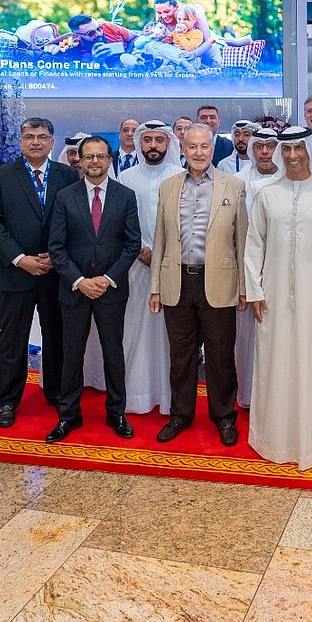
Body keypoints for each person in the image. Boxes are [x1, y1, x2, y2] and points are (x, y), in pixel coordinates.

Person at [245, 127, 312, 471]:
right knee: (274, 365)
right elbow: (254, 246)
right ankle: (271, 439)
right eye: (286, 150)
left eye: (298, 149)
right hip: (272, 298)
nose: (292, 156)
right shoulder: (266, 194)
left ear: (308, 151)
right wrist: (255, 291)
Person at [149, 124, 248, 445]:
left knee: (221, 355)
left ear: (212, 148)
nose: (199, 152)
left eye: (204, 146)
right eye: (192, 147)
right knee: (181, 355)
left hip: (219, 281)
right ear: (183, 147)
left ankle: (223, 416)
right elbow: (160, 240)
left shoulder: (232, 186)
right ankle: (180, 413)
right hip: (177, 283)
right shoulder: (168, 186)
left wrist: (245, 287)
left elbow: (242, 240)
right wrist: (155, 287)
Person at [0, 117, 80, 427]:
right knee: (13, 341)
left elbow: (76, 221)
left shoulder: (67, 175)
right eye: (29, 136)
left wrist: (56, 256)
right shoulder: (2, 176)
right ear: (21, 142)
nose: (35, 141)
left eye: (41, 136)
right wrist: (20, 258)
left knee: (57, 336)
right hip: (16, 274)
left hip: (56, 273)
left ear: (52, 142)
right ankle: (9, 400)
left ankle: (56, 392)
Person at [46, 136, 141, 443]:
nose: (95, 162)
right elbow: (56, 247)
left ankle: (117, 413)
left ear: (109, 160)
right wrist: (80, 281)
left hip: (111, 290)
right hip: (74, 290)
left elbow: (132, 244)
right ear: (80, 160)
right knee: (71, 354)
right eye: (89, 157)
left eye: (101, 156)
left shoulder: (125, 196)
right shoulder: (65, 196)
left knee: (114, 352)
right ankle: (68, 415)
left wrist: (108, 279)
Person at [116, 121, 183, 415]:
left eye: (159, 140)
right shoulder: (126, 177)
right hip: (135, 264)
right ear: (140, 143)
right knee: (135, 330)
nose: (153, 146)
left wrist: (161, 253)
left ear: (168, 143)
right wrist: (143, 248)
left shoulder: (180, 176)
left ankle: (170, 399)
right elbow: (120, 220)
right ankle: (138, 395)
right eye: (148, 140)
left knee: (171, 334)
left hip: (172, 265)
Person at [235, 127, 280, 409]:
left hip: (279, 271)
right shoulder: (237, 181)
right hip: (243, 269)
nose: (265, 152)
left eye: (271, 146)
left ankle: (275, 398)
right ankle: (248, 396)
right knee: (245, 339)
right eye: (260, 146)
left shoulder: (288, 180)